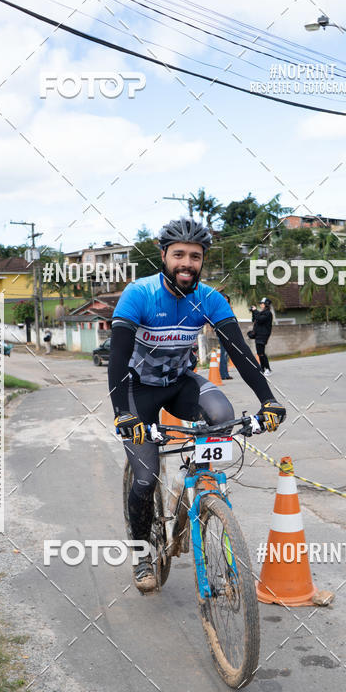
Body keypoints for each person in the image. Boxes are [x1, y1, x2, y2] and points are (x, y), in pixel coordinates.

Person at [108, 217, 286, 593]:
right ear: (163, 256)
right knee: (144, 477)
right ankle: (142, 554)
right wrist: (122, 413)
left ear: (202, 260)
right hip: (137, 391)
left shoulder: (209, 298)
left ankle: (201, 492)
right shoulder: (139, 294)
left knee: (221, 416)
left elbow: (240, 354)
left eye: (195, 256)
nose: (186, 263)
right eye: (179, 255)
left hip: (180, 385)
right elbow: (118, 361)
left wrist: (267, 401)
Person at [250, 298, 273, 374]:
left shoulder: (268, 313)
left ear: (266, 304)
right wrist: (253, 312)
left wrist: (255, 311)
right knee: (259, 352)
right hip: (258, 335)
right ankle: (262, 369)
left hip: (263, 335)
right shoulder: (262, 312)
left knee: (261, 353)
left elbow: (260, 319)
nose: (260, 305)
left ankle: (268, 369)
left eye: (262, 303)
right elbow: (254, 320)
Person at [218, 290, 232, 379]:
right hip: (222, 333)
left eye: (227, 298)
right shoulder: (219, 309)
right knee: (224, 354)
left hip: (229, 333)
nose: (226, 299)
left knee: (226, 355)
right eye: (224, 298)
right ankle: (223, 374)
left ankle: (225, 374)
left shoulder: (228, 308)